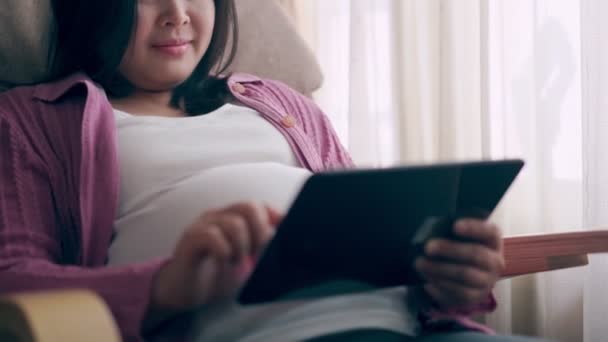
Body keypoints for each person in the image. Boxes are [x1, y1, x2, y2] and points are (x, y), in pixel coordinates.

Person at [0, 0, 545, 341]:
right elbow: (14, 278)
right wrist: (165, 285)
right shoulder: (33, 119)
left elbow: (376, 240)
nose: (177, 12)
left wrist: (451, 279)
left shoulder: (280, 102)